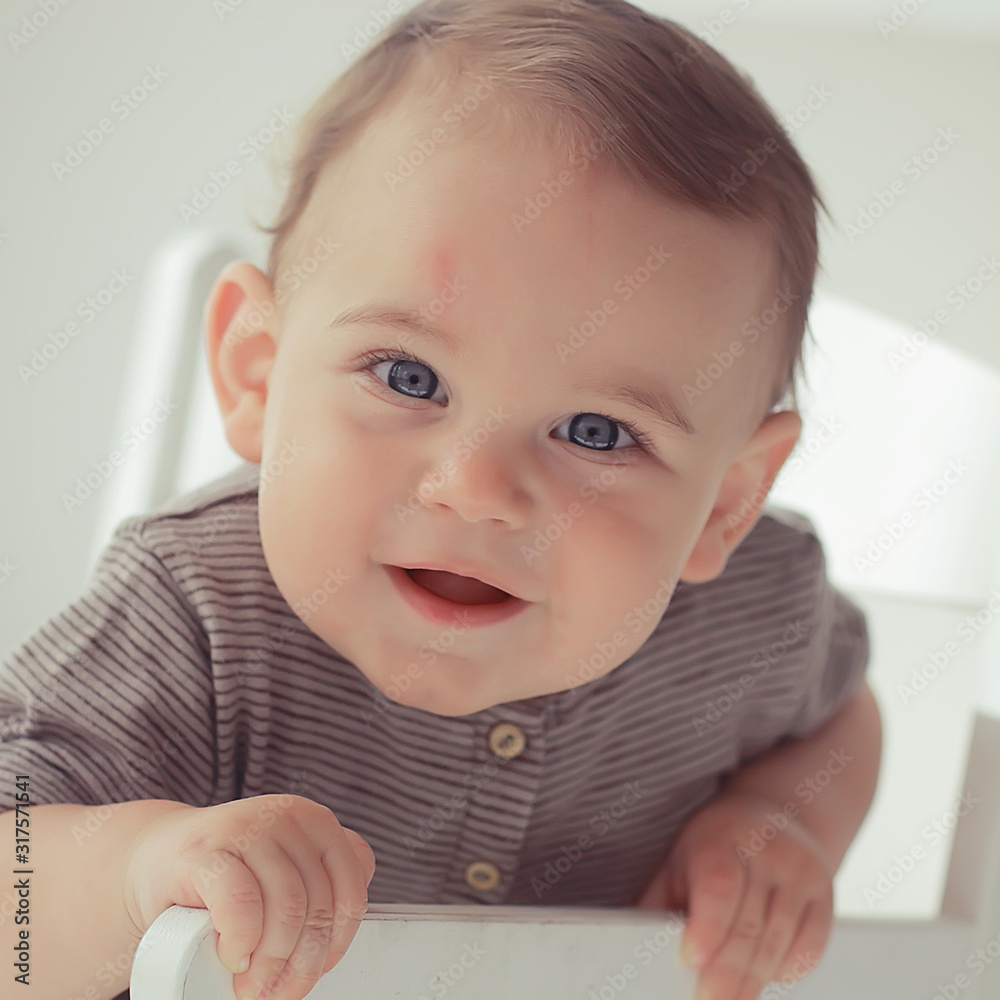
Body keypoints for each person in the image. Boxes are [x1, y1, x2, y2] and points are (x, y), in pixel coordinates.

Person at [0, 2, 882, 999]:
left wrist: (778, 817)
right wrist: (132, 870)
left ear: (727, 504)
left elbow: (840, 717)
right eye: (408, 377)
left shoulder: (753, 614)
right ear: (257, 372)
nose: (476, 490)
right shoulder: (191, 610)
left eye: (596, 432)